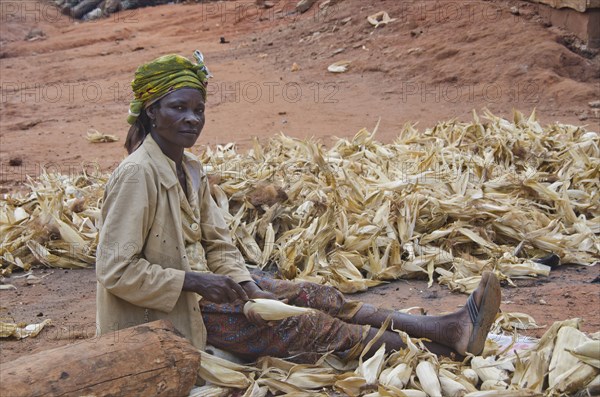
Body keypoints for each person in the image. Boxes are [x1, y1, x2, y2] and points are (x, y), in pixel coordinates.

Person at [96, 51, 502, 364]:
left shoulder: (189, 168)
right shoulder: (137, 175)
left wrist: (247, 286)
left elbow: (217, 244)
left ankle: (445, 327)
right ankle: (442, 355)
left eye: (198, 110)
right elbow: (115, 269)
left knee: (316, 296)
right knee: (309, 327)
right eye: (178, 108)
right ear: (152, 112)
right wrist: (197, 282)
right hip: (169, 316)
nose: (191, 119)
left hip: (205, 294)